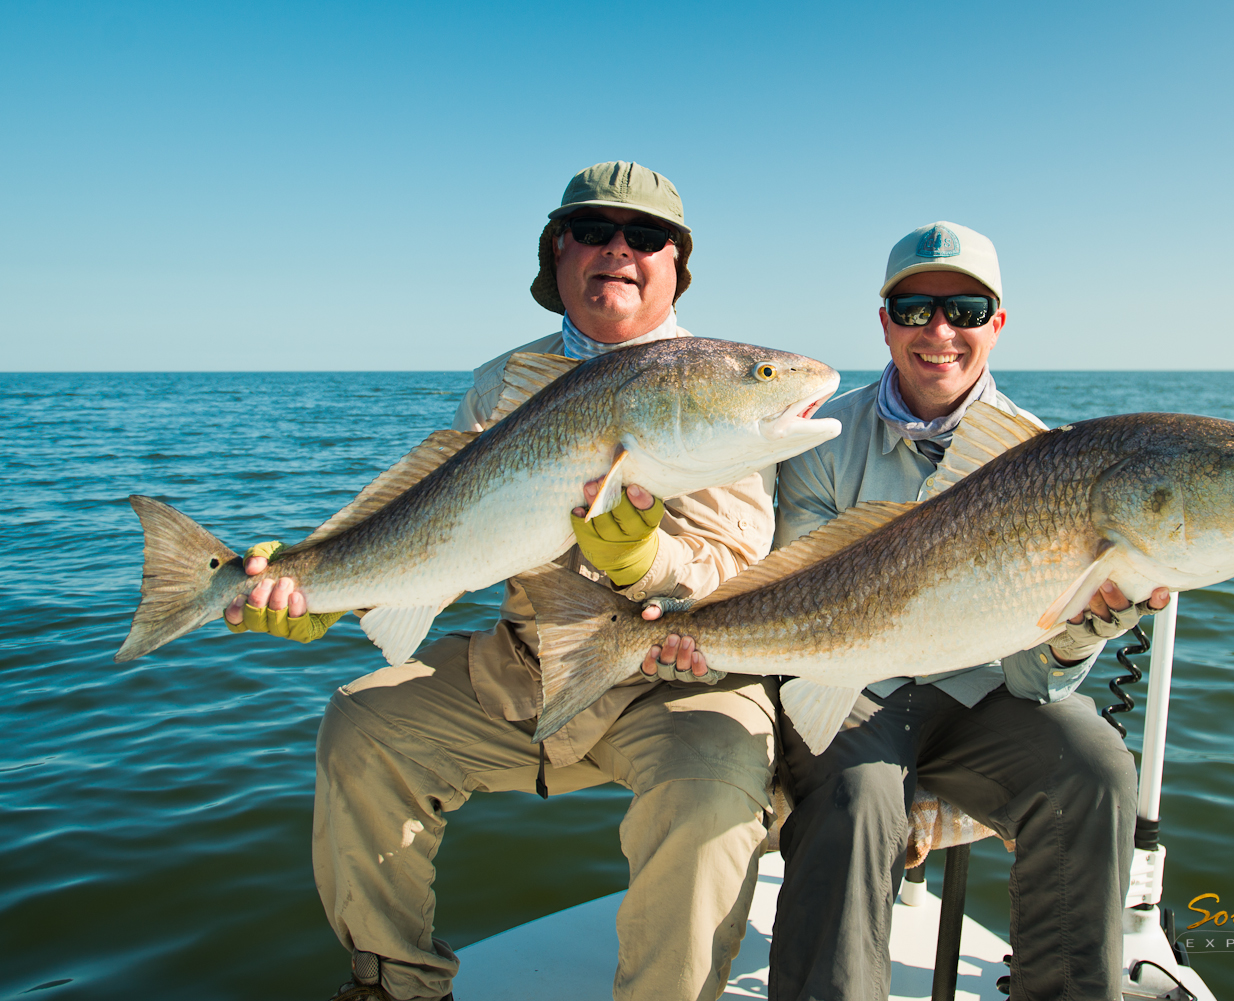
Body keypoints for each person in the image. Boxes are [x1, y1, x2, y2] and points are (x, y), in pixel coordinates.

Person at [227, 162, 777, 1001]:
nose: (618, 251)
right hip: (526, 662)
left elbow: (739, 573)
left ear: (677, 263)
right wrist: (326, 586)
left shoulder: (719, 379)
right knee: (363, 723)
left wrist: (645, 562)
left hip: (675, 673)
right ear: (557, 253)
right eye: (592, 230)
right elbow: (440, 534)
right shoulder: (505, 382)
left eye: (646, 235)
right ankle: (394, 982)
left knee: (711, 793)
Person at [650, 222, 1169, 1001]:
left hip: (981, 690)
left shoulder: (1046, 460)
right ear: (884, 320)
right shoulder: (821, 440)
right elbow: (798, 599)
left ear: (996, 323)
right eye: (913, 307)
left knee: (1095, 765)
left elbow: (1032, 682)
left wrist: (1079, 631)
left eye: (964, 308)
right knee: (857, 796)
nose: (939, 331)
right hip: (850, 680)